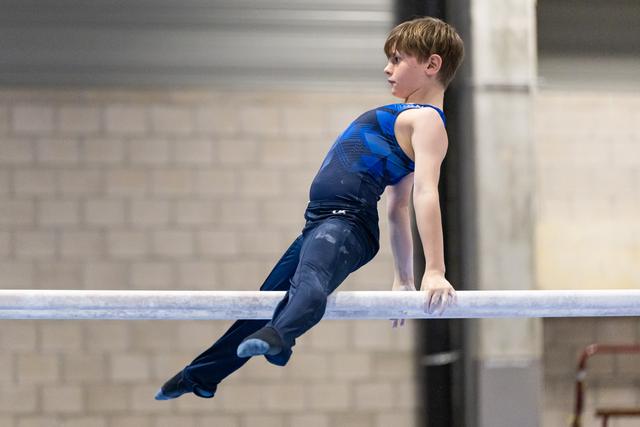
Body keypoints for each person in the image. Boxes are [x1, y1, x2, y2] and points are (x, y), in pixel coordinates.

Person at [155, 16, 465, 400]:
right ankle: (201, 375)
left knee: (310, 282)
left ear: (432, 65)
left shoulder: (429, 122)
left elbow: (424, 195)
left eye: (398, 59)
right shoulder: (408, 118)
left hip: (348, 223)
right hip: (320, 223)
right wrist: (403, 280)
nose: (387, 68)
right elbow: (396, 209)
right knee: (261, 306)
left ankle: (282, 338)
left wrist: (434, 271)